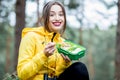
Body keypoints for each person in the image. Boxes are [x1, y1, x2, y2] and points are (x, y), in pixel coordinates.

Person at [17, 1, 89, 80]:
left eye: (61, 14)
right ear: (45, 18)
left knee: (80, 68)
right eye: (52, 15)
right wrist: (43, 55)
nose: (57, 18)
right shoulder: (31, 36)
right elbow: (22, 74)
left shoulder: (63, 42)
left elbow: (58, 74)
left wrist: (66, 62)